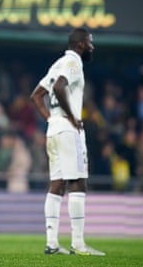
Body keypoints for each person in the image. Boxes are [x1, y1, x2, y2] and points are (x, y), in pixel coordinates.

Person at [30, 28, 105, 256]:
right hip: (68, 128)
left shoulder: (58, 63)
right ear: (81, 44)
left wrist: (51, 119)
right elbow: (59, 86)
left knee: (57, 183)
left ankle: (52, 243)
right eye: (90, 42)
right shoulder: (73, 63)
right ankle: (78, 244)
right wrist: (72, 117)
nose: (92, 46)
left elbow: (36, 95)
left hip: (54, 129)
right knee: (78, 181)